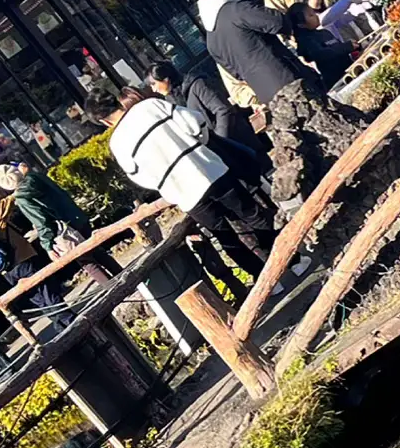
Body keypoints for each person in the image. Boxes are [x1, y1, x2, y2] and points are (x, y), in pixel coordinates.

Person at [194, 0, 363, 215]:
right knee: (329, 125)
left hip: (267, 94)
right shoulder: (236, 10)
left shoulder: (211, 39)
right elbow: (277, 22)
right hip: (287, 77)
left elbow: (235, 72)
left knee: (307, 140)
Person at [107, 89, 274, 306]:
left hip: (184, 192)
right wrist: (199, 144)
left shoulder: (117, 143)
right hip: (209, 169)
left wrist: (163, 183)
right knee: (252, 214)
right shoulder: (150, 106)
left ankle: (264, 280)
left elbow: (139, 176)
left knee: (226, 238)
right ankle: (291, 259)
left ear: (103, 120)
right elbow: (194, 120)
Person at [0, 160, 90, 259]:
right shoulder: (35, 177)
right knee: (98, 251)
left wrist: (48, 246)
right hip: (76, 216)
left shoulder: (21, 198)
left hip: (67, 231)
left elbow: (41, 222)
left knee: (89, 263)